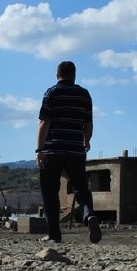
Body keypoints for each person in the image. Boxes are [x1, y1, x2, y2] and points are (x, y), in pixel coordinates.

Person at [35, 60, 101, 244]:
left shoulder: (51, 92)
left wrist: (39, 149)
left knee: (50, 191)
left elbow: (44, 122)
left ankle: (54, 234)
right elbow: (88, 124)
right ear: (74, 75)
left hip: (53, 149)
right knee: (81, 187)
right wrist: (86, 141)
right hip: (76, 150)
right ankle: (89, 216)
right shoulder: (84, 95)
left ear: (57, 75)